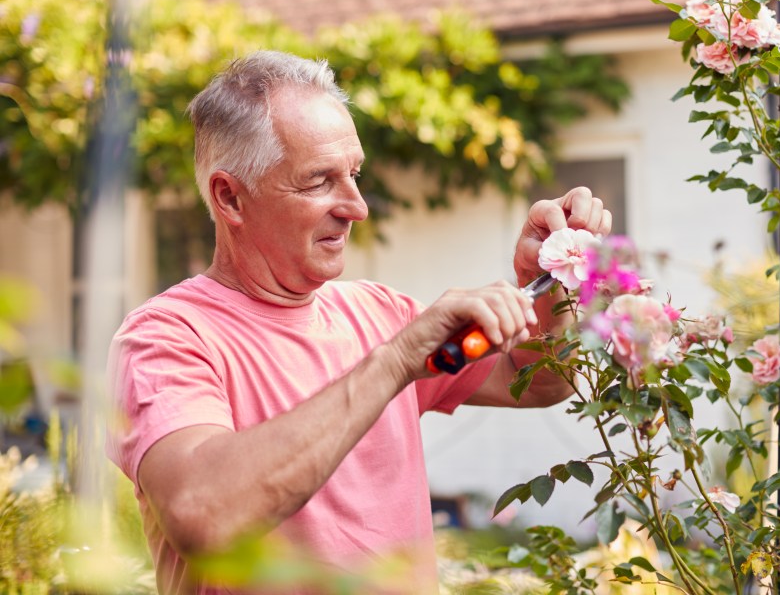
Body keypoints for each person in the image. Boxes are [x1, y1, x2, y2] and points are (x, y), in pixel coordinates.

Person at [107, 51, 612, 594]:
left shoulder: (380, 316)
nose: (356, 206)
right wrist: (395, 362)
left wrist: (548, 284)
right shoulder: (165, 339)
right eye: (319, 180)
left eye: (353, 174)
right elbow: (202, 514)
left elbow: (534, 380)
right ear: (230, 197)